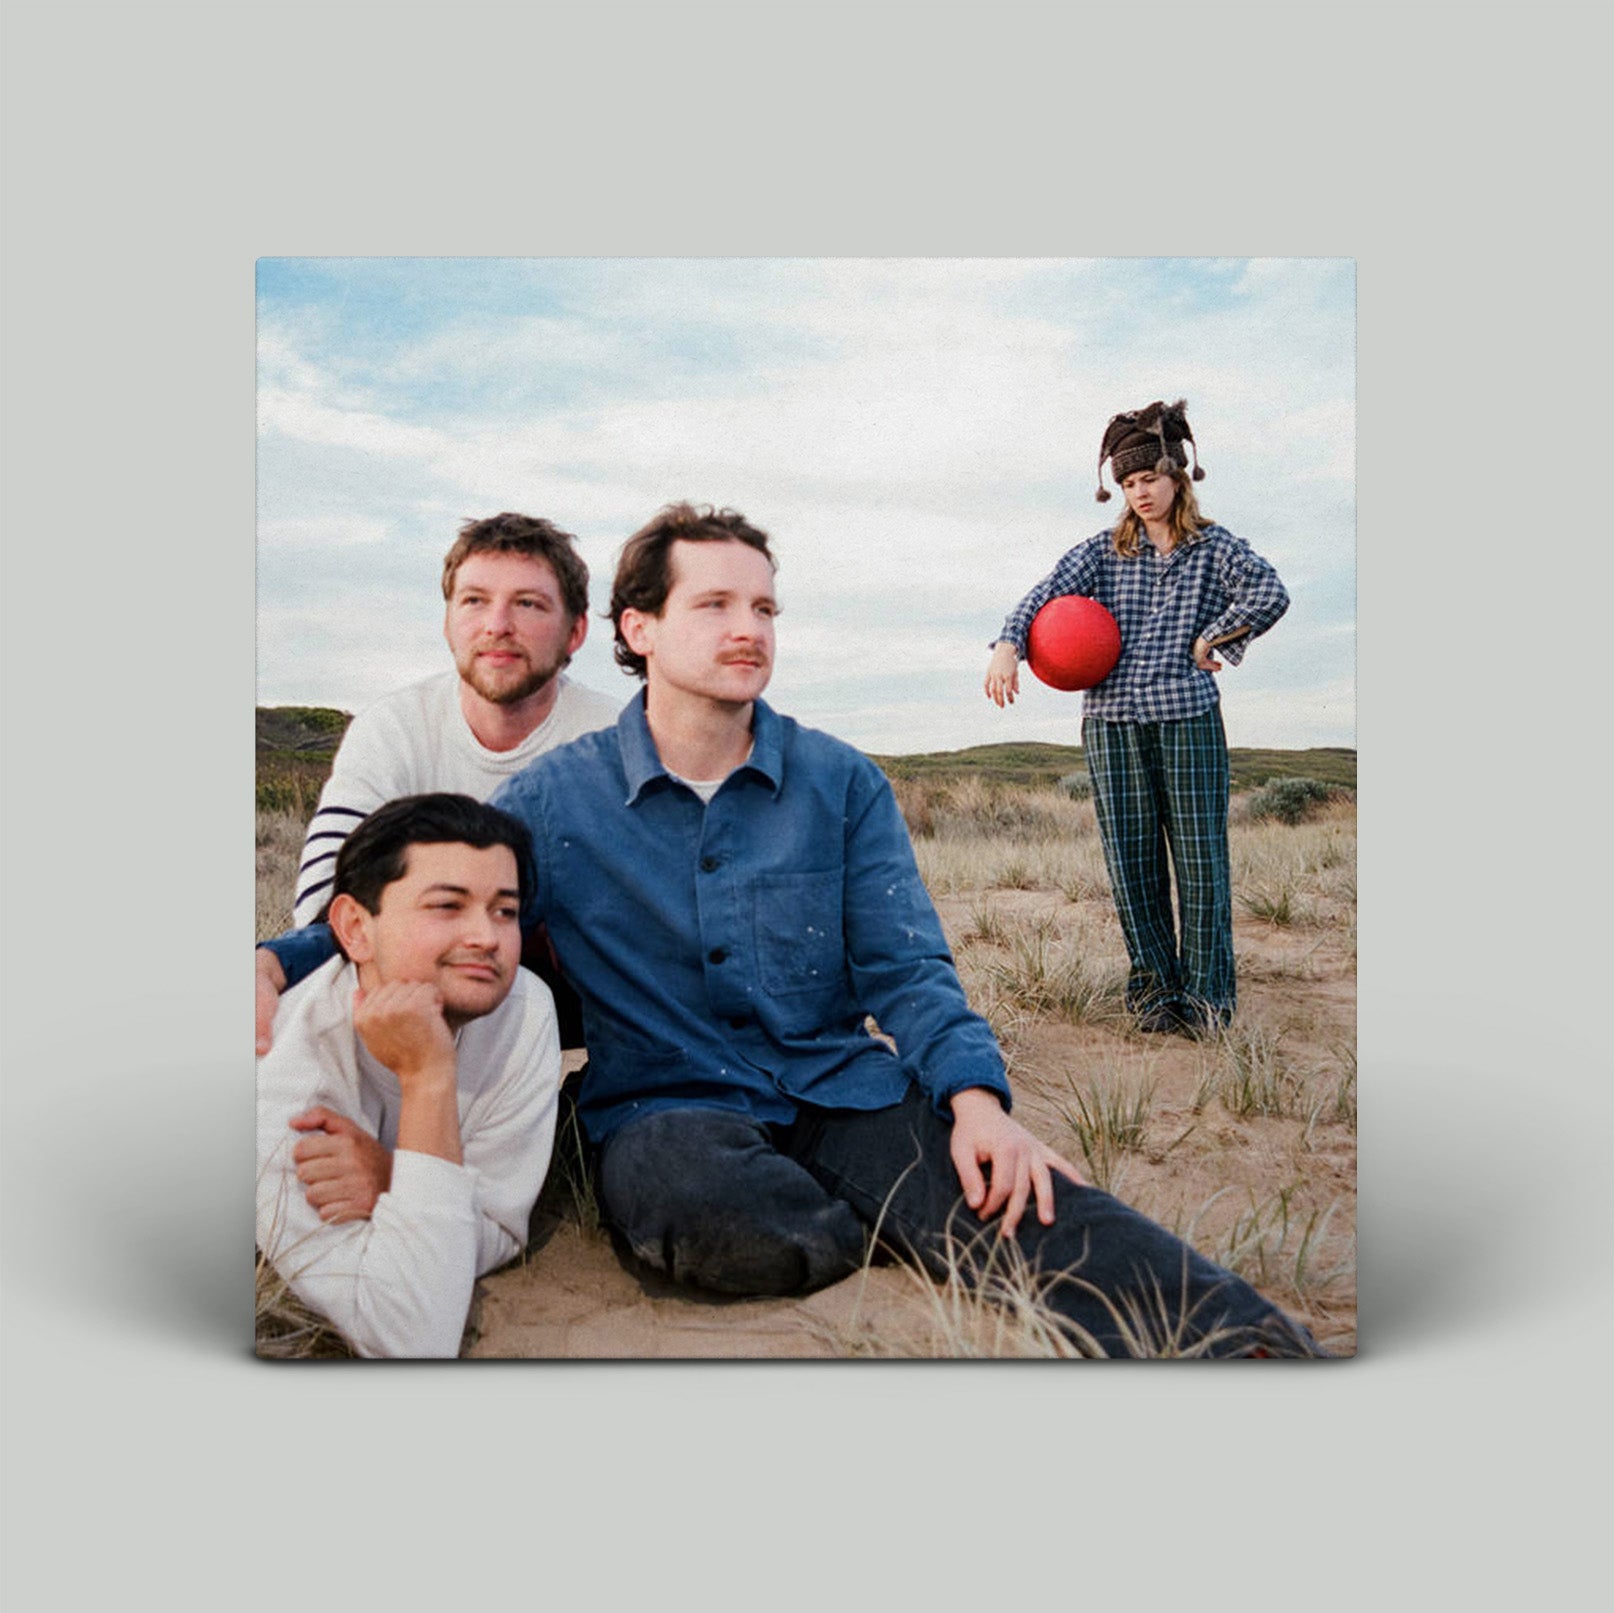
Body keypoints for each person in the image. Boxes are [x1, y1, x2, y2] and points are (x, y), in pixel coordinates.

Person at [261, 502, 1322, 1358]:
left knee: (1012, 1190)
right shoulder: (555, 797)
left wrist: (975, 1102)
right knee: (700, 1211)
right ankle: (868, 1218)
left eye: (765, 606)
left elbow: (909, 967)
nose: (750, 629)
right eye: (715, 603)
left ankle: (1252, 1346)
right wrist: (279, 958)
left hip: (836, 1083)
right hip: (666, 1107)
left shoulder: (841, 781)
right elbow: (444, 914)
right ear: (637, 629)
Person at [260, 511, 620, 1056]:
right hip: (419, 974)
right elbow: (328, 900)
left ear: (575, 632)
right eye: (474, 600)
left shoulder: (616, 738)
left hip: (581, 998)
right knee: (308, 986)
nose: (497, 625)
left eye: (528, 604)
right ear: (448, 622)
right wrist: (273, 961)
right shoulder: (394, 727)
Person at [985, 400, 1289, 1038]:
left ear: (1176, 475)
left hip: (1187, 719)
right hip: (1112, 723)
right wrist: (1010, 644)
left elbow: (1269, 592)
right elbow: (1043, 595)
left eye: (1149, 478)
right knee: (1132, 862)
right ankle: (1155, 995)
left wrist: (1214, 637)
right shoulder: (1103, 552)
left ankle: (1207, 1003)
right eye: (1127, 483)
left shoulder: (1214, 548)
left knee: (1201, 862)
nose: (1140, 492)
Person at [256, 793, 561, 1359]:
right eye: (447, 906)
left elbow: (500, 1227)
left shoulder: (524, 1009)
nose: (487, 937)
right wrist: (427, 1079)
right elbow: (412, 1336)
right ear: (355, 928)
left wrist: (391, 1177)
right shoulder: (285, 1081)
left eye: (505, 911)